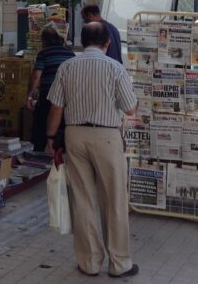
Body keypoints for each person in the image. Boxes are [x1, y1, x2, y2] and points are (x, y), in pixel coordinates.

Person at [46, 21, 139, 278]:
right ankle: (120, 263)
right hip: (107, 136)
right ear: (107, 43)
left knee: (83, 199)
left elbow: (56, 107)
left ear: (82, 41)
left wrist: (51, 137)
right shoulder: (115, 68)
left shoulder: (67, 67)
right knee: (114, 200)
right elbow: (130, 108)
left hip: (75, 135)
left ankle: (89, 262)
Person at [26, 23, 74, 151]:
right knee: (62, 127)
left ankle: (42, 151)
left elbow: (36, 76)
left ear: (44, 41)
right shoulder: (70, 54)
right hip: (67, 96)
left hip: (48, 94)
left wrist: (29, 96)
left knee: (42, 125)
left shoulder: (44, 53)